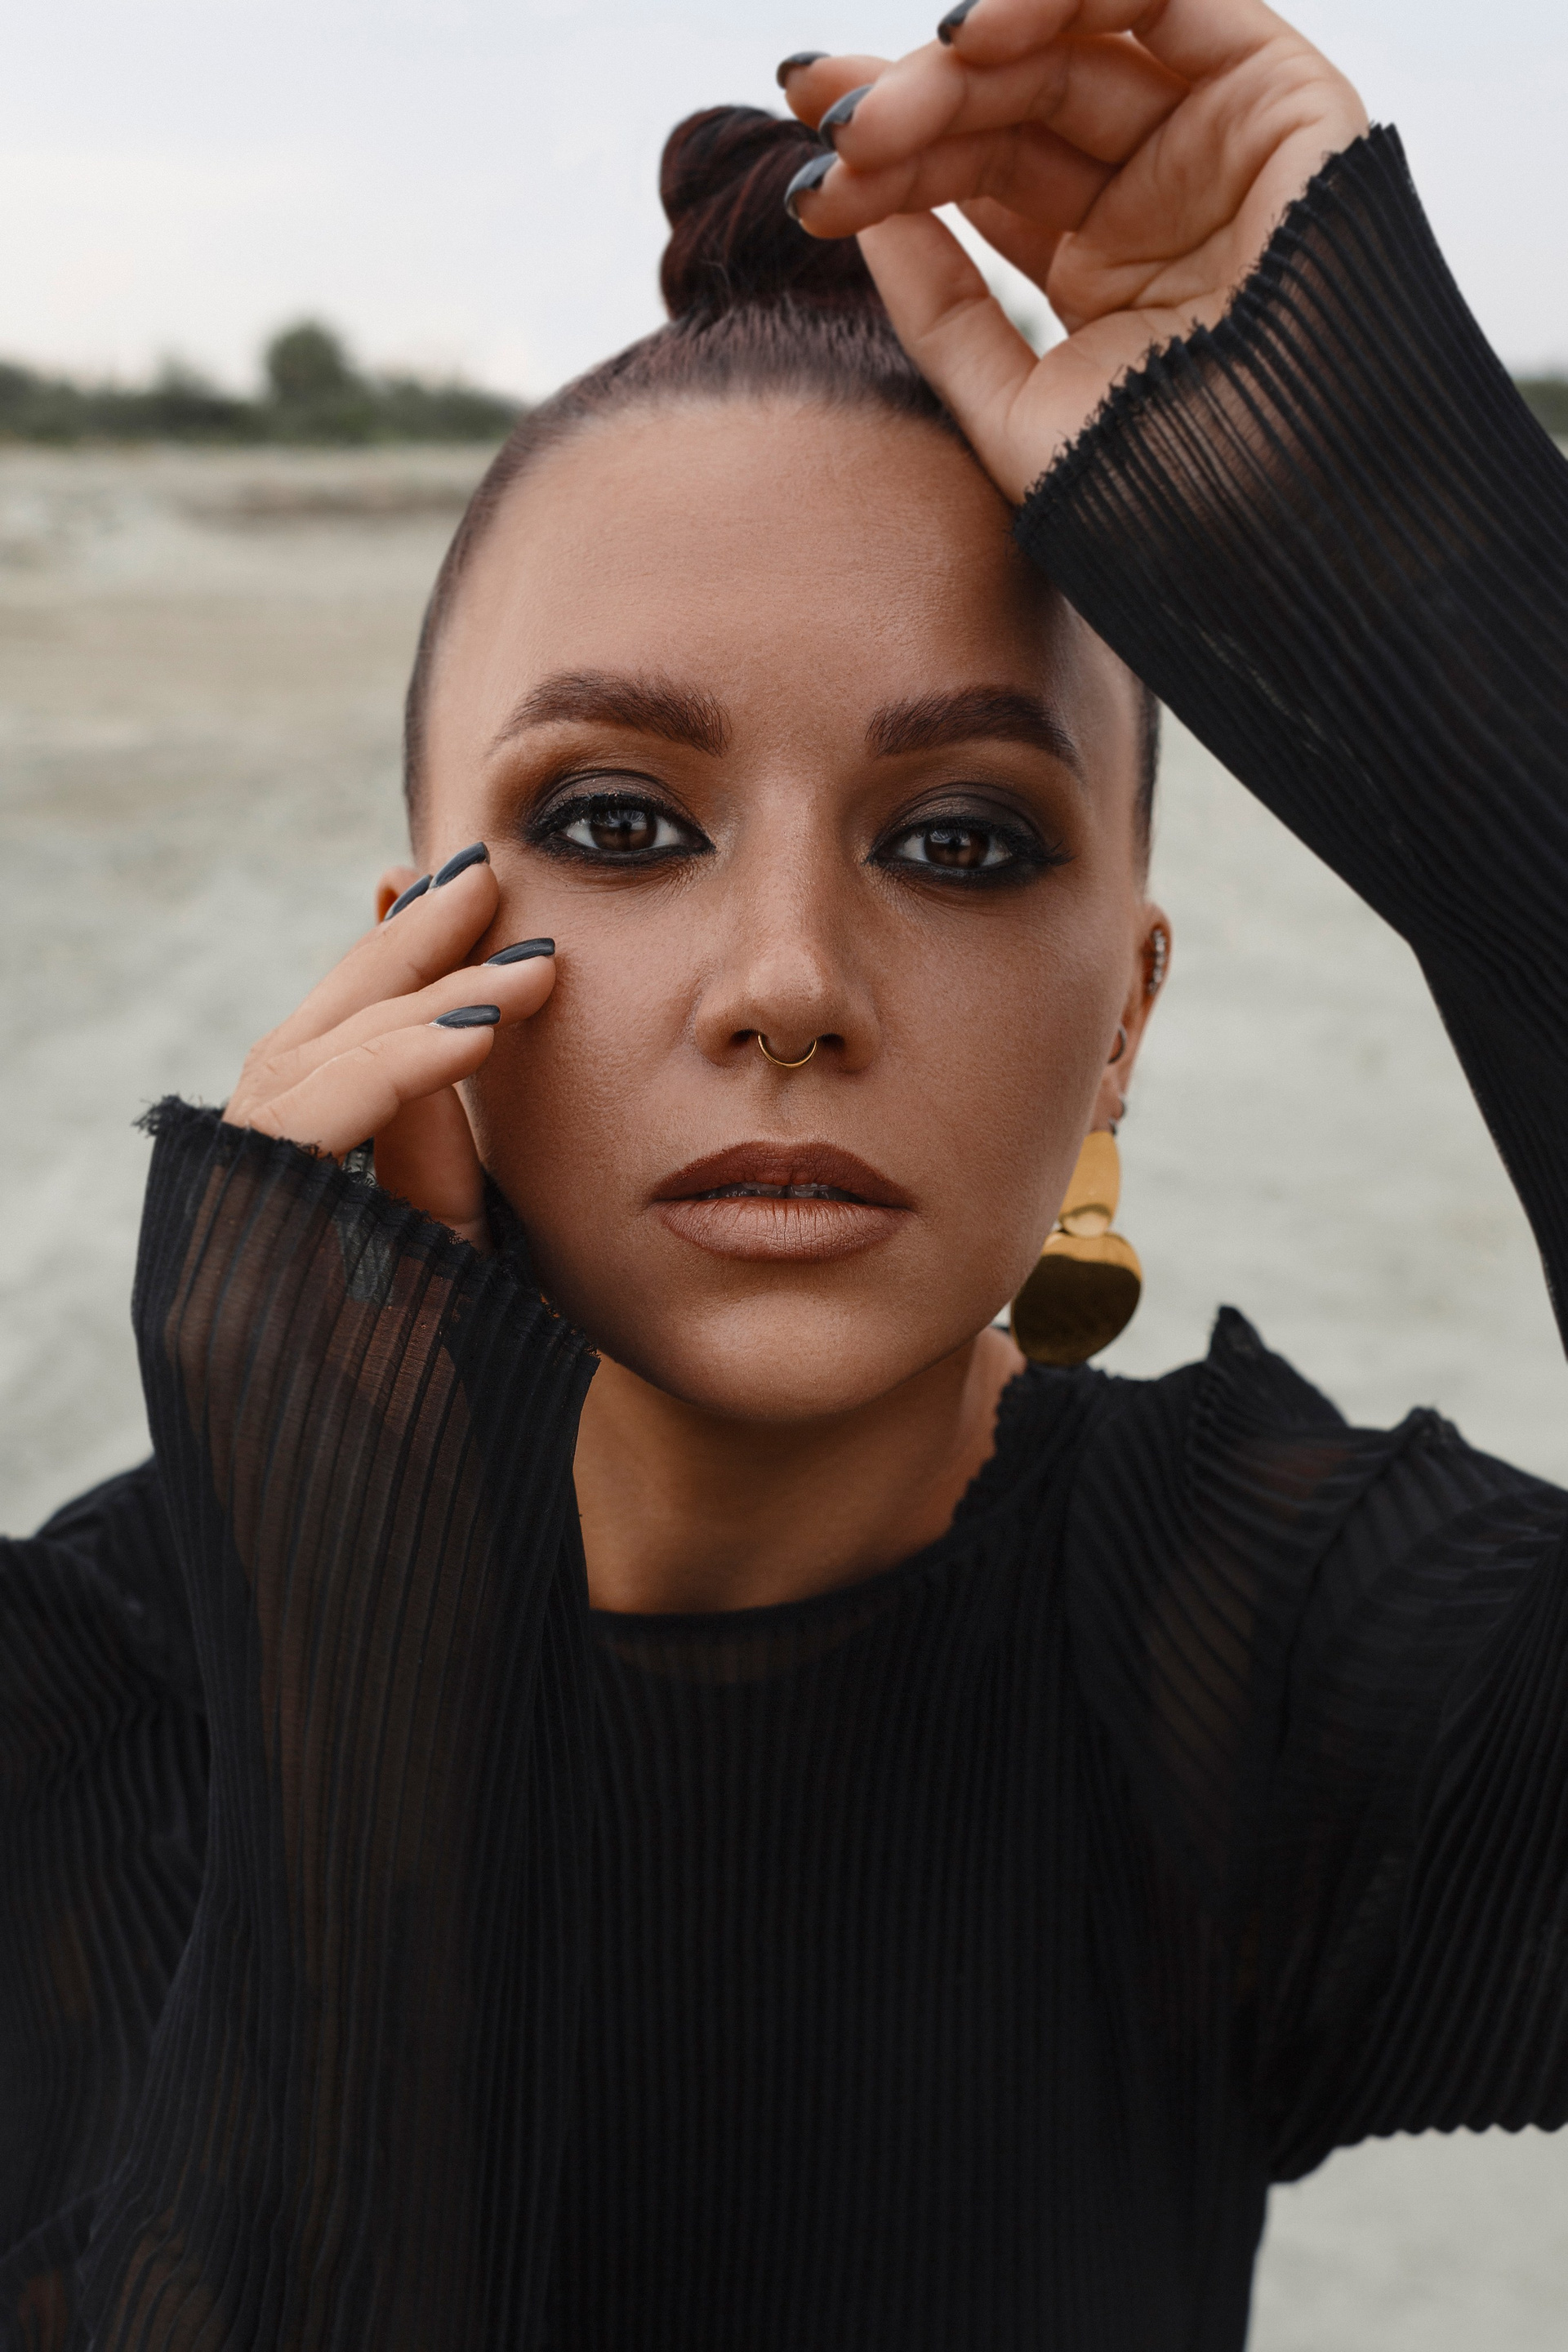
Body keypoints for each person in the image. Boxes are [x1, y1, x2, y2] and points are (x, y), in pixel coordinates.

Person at [4, 0, 1567, 2342]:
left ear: (1125, 1012)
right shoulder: (81, 1710)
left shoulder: (1260, 1655)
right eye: (621, 822)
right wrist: (349, 1706)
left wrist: (1418, 562)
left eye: (963, 841)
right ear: (409, 947)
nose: (789, 984)